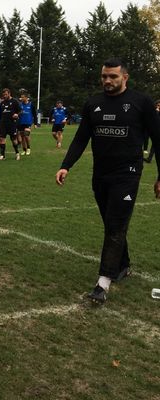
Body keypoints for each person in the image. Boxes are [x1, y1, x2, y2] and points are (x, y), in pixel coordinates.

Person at [55, 58, 160, 304]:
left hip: (128, 174)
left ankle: (103, 284)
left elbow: (159, 138)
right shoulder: (93, 104)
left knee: (115, 223)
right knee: (110, 222)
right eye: (104, 76)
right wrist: (65, 166)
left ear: (125, 77)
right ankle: (123, 265)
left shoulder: (141, 102)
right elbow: (81, 138)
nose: (107, 81)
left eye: (113, 76)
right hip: (101, 174)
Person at [0, 88, 22, 161]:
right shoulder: (2, 103)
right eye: (3, 94)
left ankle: (17, 153)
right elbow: (0, 115)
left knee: (13, 139)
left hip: (12, 124)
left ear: (9, 94)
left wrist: (17, 114)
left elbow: (20, 111)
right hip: (3, 124)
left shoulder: (14, 101)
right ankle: (2, 155)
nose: (4, 96)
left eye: (6, 94)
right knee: (2, 139)